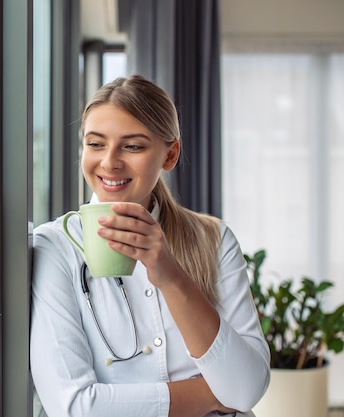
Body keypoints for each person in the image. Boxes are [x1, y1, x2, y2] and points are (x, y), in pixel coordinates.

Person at [30, 74, 270, 417]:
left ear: (170, 155)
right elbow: (75, 407)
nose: (110, 162)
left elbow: (245, 391)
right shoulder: (55, 247)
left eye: (133, 146)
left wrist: (171, 277)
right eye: (96, 143)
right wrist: (213, 395)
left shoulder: (214, 240)